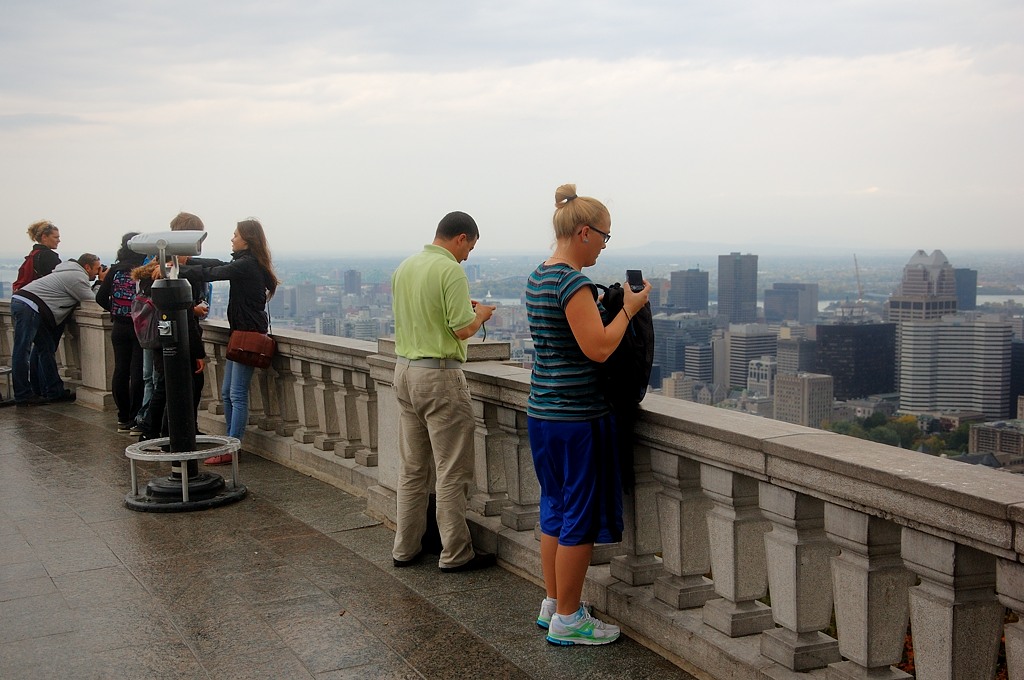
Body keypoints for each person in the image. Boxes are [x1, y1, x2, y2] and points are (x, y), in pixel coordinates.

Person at [525, 184, 650, 646]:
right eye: (603, 236)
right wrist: (629, 309)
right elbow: (597, 348)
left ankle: (554, 603)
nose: (603, 244)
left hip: (543, 412)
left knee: (555, 509)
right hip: (577, 416)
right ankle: (569, 619)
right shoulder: (572, 282)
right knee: (577, 514)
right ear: (583, 232)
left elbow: (561, 342)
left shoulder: (539, 276)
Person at [390, 211, 496, 573]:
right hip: (438, 377)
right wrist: (481, 314)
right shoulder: (450, 270)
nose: (467, 256)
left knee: (413, 468)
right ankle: (455, 552)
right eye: (470, 247)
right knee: (451, 469)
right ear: (461, 238)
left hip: (404, 371)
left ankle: (405, 547)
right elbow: (463, 330)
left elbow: (422, 315)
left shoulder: (405, 267)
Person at [188, 219, 278, 464]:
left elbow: (215, 272)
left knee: (236, 394)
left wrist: (181, 268)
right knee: (228, 393)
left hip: (247, 334)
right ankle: (230, 442)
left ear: (247, 239)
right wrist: (188, 261)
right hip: (241, 333)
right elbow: (218, 264)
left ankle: (232, 447)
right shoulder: (247, 263)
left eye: (235, 235)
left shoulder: (247, 265)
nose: (232, 238)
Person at [10, 254, 107, 406]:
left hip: (28, 304)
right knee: (22, 351)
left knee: (46, 349)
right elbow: (94, 301)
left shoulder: (68, 271)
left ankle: (54, 391)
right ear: (87, 267)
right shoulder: (77, 277)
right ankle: (22, 395)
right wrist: (101, 281)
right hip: (29, 306)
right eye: (97, 268)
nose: (98, 271)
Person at [95, 232, 147, 433]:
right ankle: (135, 417)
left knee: (120, 371)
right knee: (138, 373)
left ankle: (122, 416)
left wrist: (116, 310)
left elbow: (100, 297)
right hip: (138, 326)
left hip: (119, 327)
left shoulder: (115, 269)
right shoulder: (142, 270)